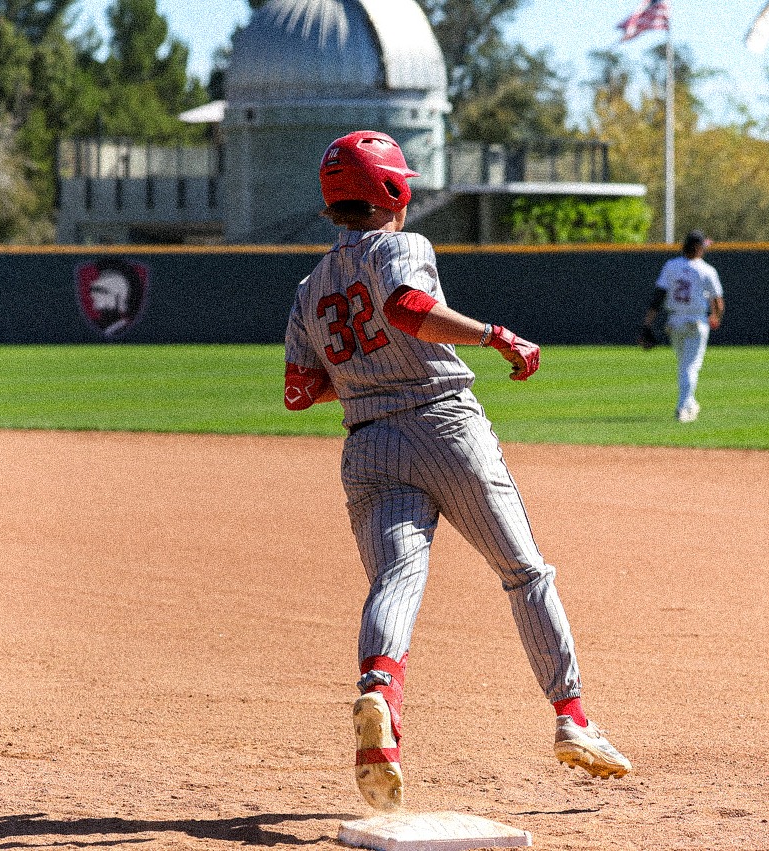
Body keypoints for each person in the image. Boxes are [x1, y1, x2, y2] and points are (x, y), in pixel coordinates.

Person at [283, 130, 631, 812]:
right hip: (445, 428)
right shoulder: (401, 245)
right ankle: (572, 718)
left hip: (369, 443)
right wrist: (497, 335)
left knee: (395, 580)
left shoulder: (308, 288)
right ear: (392, 190)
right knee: (524, 572)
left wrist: (363, 377)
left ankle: (380, 694)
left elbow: (300, 390)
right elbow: (407, 308)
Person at [639, 229, 725, 423]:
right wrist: (716, 317)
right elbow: (718, 302)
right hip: (696, 321)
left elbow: (658, 297)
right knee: (690, 367)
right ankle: (683, 407)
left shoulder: (671, 265)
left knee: (684, 366)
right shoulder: (706, 270)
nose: (705, 249)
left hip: (674, 322)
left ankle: (691, 403)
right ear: (698, 248)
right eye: (703, 246)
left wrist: (648, 323)